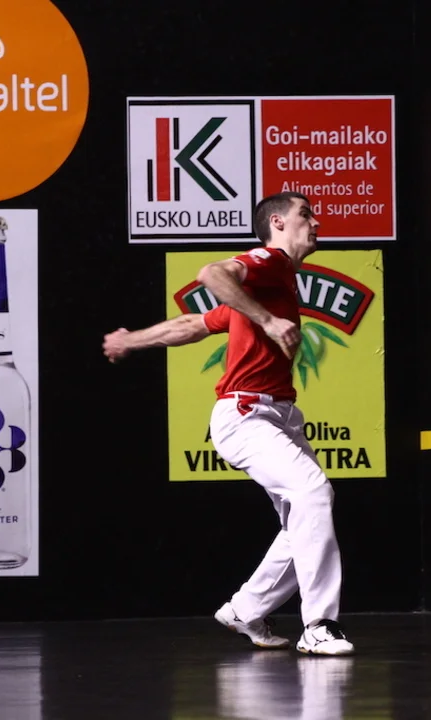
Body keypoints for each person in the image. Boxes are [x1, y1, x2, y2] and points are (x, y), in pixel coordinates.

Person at [102, 192, 354, 656]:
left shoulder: (273, 283)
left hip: (278, 416)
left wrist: (130, 340)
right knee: (314, 493)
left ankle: (246, 608)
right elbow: (211, 274)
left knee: (304, 519)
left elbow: (193, 325)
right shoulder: (270, 261)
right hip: (245, 416)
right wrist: (269, 321)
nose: (316, 222)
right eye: (305, 214)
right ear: (277, 223)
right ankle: (319, 625)